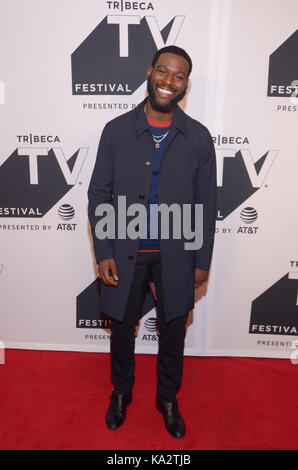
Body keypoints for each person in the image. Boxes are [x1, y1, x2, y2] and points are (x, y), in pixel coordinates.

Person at [88, 45, 217, 438]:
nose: (168, 82)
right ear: (150, 72)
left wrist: (201, 260)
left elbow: (205, 204)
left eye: (179, 76)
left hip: (176, 255)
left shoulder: (198, 137)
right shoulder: (115, 130)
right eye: (163, 72)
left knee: (173, 332)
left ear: (186, 84)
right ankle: (122, 392)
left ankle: (167, 398)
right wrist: (104, 251)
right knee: (122, 330)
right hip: (125, 253)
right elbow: (98, 195)